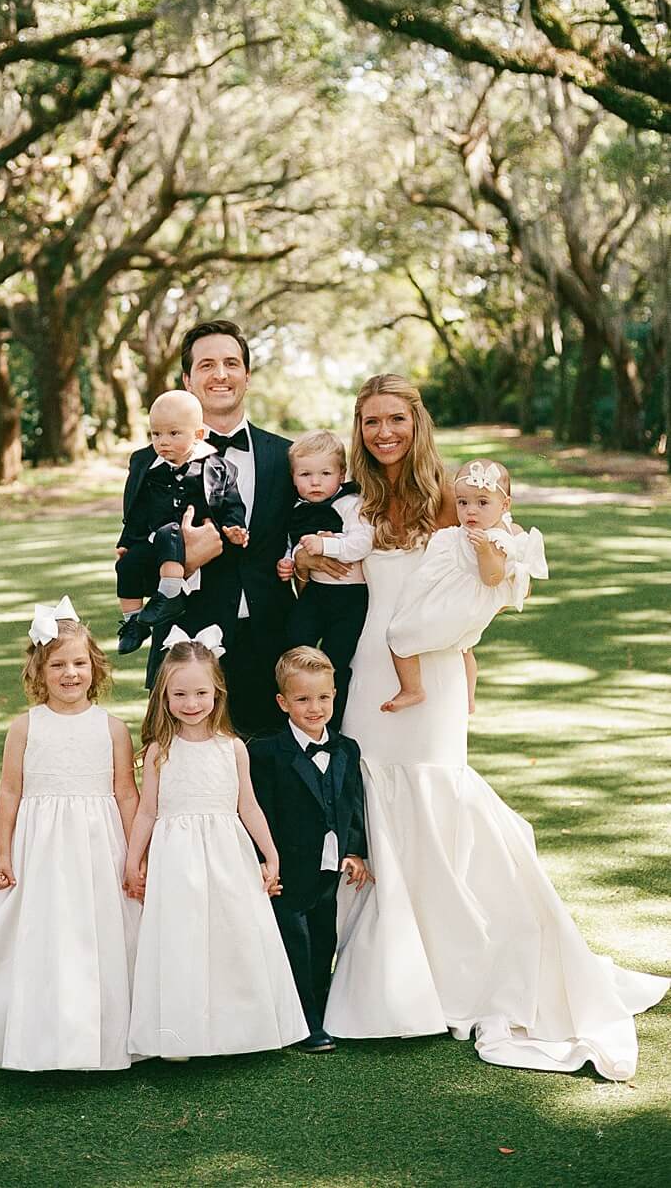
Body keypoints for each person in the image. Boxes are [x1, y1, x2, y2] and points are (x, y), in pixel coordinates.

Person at [319, 374, 668, 1080]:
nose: (383, 432)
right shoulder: (357, 501)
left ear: (417, 423)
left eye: (395, 419)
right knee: (375, 800)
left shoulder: (455, 493)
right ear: (358, 429)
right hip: (371, 673)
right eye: (370, 421)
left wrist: (462, 643)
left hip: (432, 677)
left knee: (438, 799)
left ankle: (464, 964)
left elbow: (499, 577)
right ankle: (390, 971)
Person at [0, 600, 141, 1070]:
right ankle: (35, 1035)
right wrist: (5, 853)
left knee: (99, 938)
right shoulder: (24, 727)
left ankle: (103, 1036)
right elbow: (10, 792)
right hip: (37, 848)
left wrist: (135, 857)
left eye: (80, 663)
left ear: (96, 667)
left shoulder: (112, 729)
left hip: (99, 847)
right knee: (40, 937)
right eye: (58, 664)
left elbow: (126, 795)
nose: (70, 674)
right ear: (39, 671)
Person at [122, 630, 308, 1060]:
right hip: (175, 861)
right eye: (180, 694)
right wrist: (134, 860)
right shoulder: (158, 751)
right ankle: (179, 1034)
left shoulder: (232, 748)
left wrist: (271, 853)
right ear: (165, 696)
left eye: (201, 692)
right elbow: (147, 811)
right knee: (181, 941)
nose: (191, 703)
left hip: (227, 856)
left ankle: (239, 1029)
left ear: (217, 692)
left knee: (233, 938)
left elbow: (249, 805)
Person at [128, 320, 295, 739]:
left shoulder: (285, 456)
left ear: (246, 375)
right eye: (206, 365)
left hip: (269, 648)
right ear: (187, 380)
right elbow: (134, 558)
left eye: (231, 363)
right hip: (187, 645)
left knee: (267, 790)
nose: (220, 374)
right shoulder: (147, 461)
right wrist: (185, 560)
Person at [248, 647, 372, 1053]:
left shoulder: (347, 749)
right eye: (302, 699)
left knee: (323, 941)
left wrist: (354, 851)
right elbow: (257, 813)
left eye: (323, 698)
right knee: (292, 943)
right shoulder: (266, 753)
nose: (314, 708)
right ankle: (303, 1022)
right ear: (283, 702)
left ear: (335, 695)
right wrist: (265, 862)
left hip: (327, 869)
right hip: (285, 871)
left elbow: (353, 804)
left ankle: (319, 1010)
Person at [380, 458, 546, 714]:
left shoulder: (494, 539)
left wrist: (484, 552)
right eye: (463, 502)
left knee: (399, 635)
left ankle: (412, 688)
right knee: (465, 649)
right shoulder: (488, 529)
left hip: (461, 602)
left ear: (505, 505)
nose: (470, 511)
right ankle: (468, 698)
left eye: (482, 503)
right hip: (466, 606)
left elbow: (492, 577)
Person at [114, 390, 248, 654]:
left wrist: (234, 528)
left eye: (173, 434)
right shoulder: (146, 466)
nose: (163, 442)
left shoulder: (217, 467)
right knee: (127, 565)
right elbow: (136, 509)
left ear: (197, 435)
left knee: (170, 532)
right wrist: (126, 543)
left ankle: (169, 594)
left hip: (191, 542)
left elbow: (232, 503)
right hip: (154, 542)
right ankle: (134, 622)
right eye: (156, 434)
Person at [276, 430, 371, 723]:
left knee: (336, 658)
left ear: (341, 474)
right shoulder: (296, 508)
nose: (315, 482)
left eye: (325, 473)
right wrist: (289, 560)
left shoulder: (350, 504)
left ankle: (334, 719)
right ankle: (294, 708)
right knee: (294, 639)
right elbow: (293, 542)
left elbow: (363, 542)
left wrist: (327, 546)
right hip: (316, 592)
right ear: (293, 476)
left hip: (350, 597)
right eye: (305, 474)